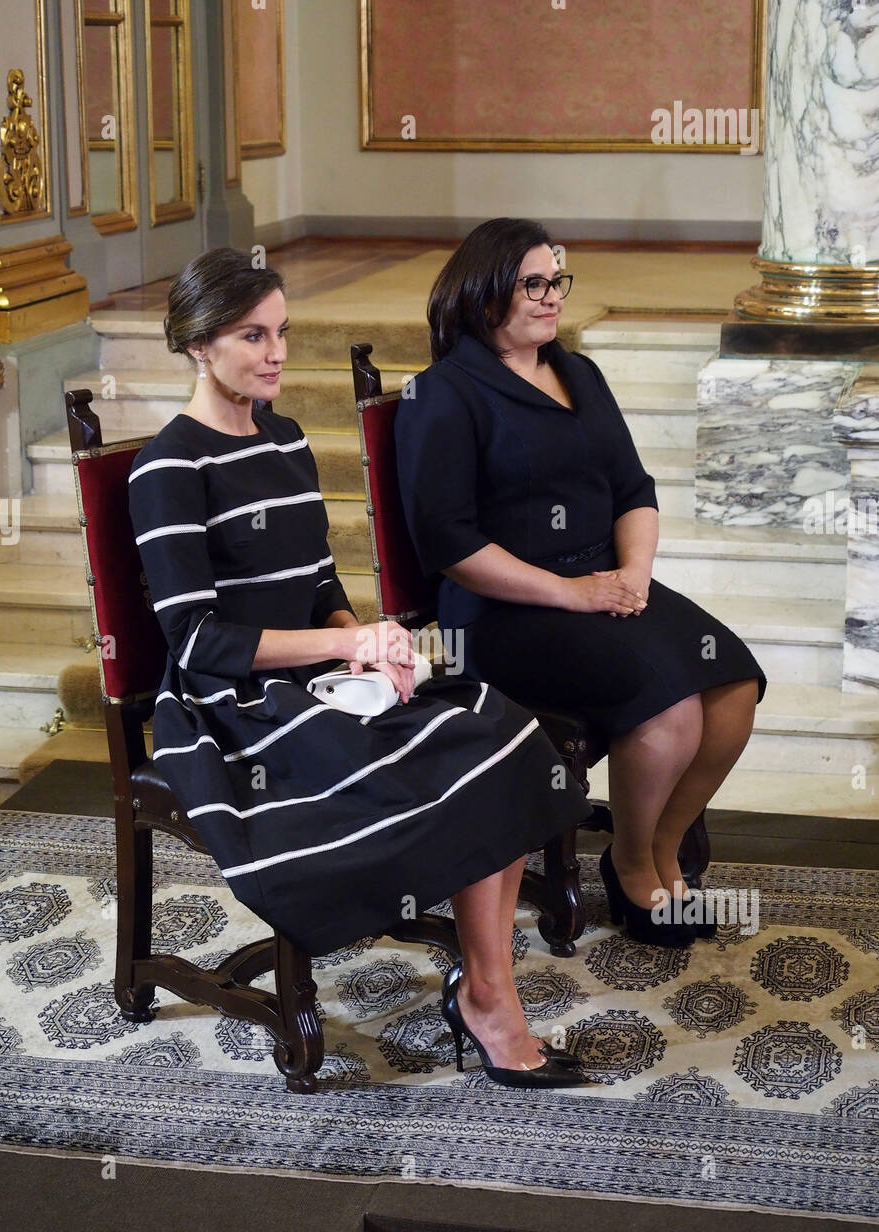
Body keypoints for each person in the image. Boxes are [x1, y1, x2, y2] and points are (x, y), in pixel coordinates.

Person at [127, 247, 593, 1088]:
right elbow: (198, 641)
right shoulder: (168, 467)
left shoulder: (289, 437)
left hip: (317, 670)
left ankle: (486, 985)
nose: (275, 353)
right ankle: (490, 1000)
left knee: (501, 731)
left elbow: (315, 581)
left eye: (282, 333)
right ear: (199, 346)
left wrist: (369, 636)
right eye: (251, 336)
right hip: (231, 705)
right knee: (419, 764)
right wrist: (345, 648)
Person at [394, 219, 766, 949]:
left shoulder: (579, 373)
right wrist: (570, 593)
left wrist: (630, 573)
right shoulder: (442, 394)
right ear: (482, 293)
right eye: (531, 283)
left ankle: (662, 852)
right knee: (670, 710)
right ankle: (633, 869)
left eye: (554, 281)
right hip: (502, 611)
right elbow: (448, 543)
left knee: (731, 689)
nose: (549, 297)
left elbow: (633, 486)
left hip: (601, 579)